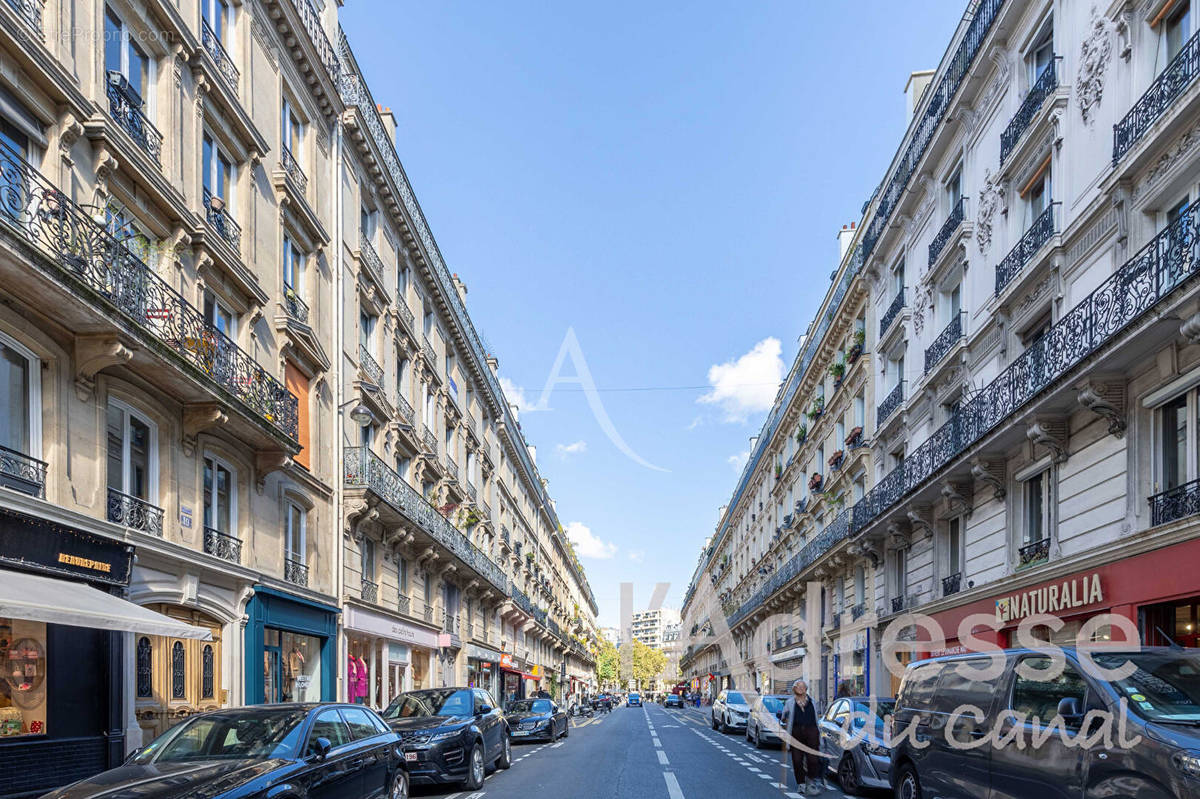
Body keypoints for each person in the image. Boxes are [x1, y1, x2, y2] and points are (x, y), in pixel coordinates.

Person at [780, 680, 825, 796]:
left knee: (813, 760)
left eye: (802, 686)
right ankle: (801, 783)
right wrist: (784, 718)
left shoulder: (812, 702)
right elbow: (783, 716)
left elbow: (816, 717)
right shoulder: (790, 702)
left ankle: (810, 779)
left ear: (806, 689)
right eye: (797, 687)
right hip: (796, 734)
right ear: (794, 689)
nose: (799, 688)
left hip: (812, 733)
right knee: (797, 760)